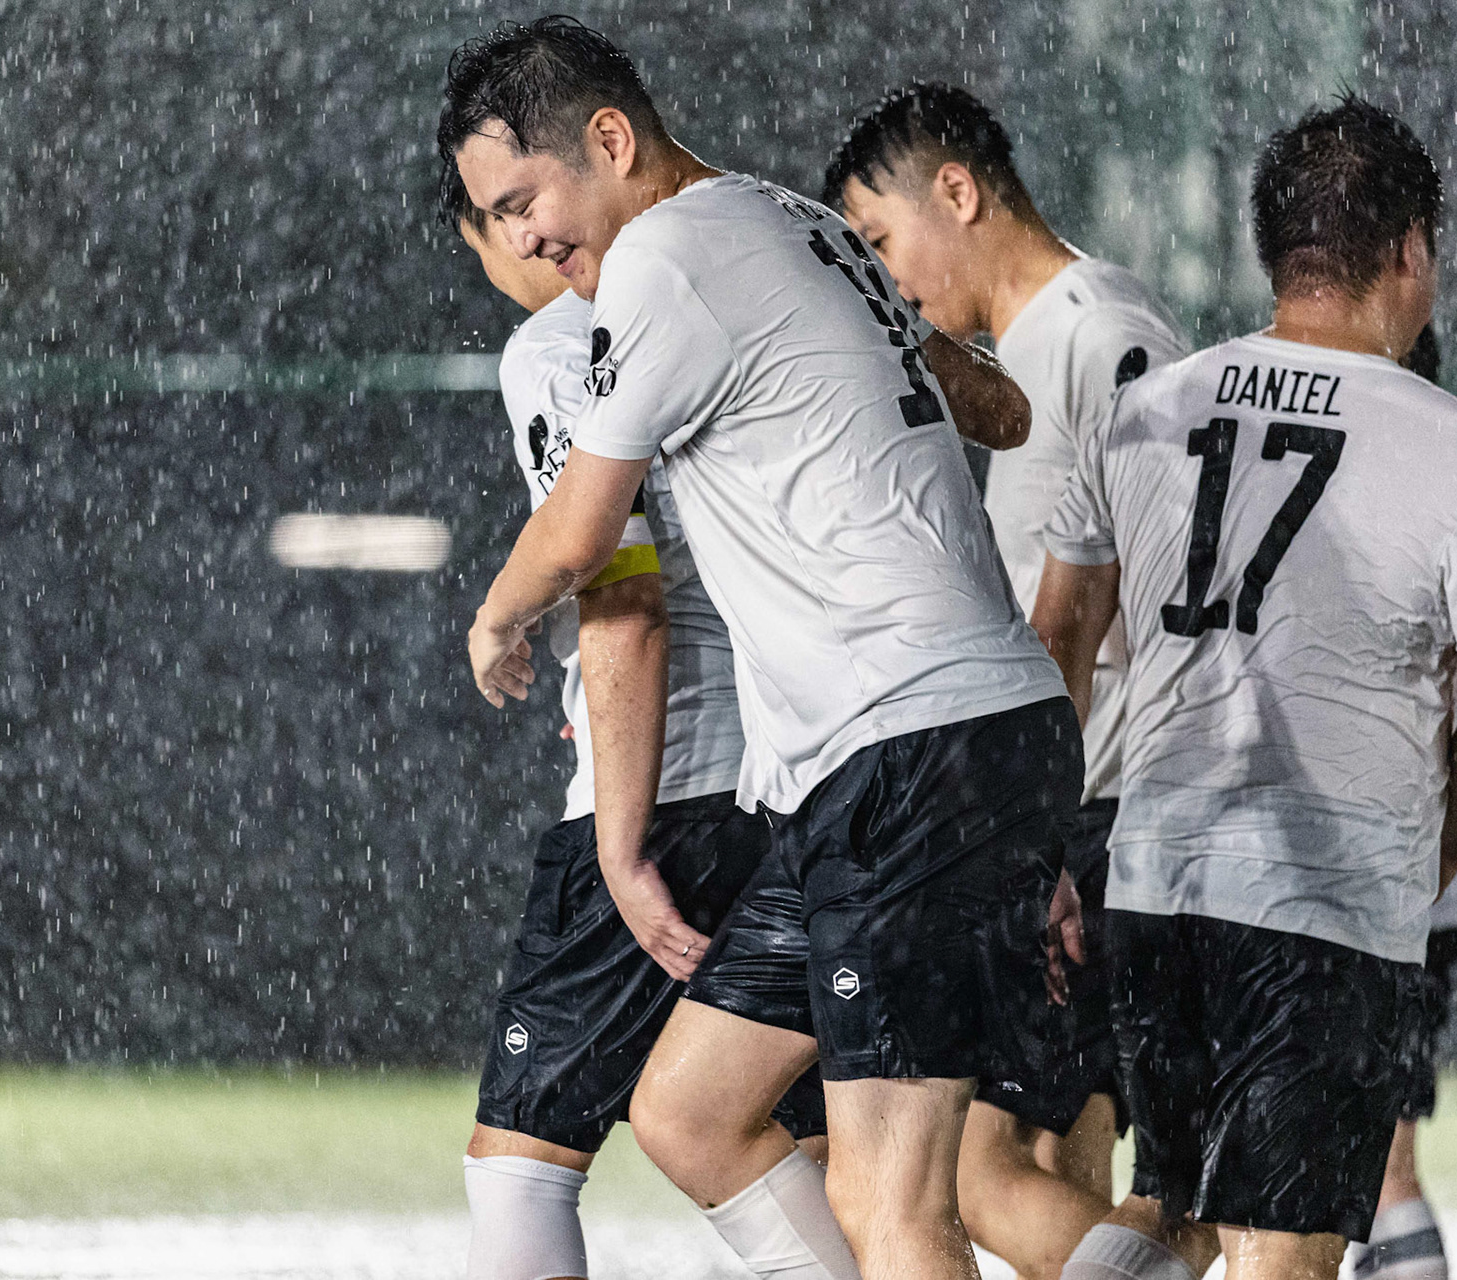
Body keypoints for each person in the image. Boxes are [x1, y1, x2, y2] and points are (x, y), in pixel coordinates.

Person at [439, 17, 1082, 1280]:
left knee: (896, 1201)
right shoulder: (803, 223)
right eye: (498, 219)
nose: (524, 240)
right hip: (929, 749)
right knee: (691, 1108)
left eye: (523, 201)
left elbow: (584, 536)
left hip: (906, 746)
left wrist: (495, 615)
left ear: (610, 140)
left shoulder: (662, 258)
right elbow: (1002, 408)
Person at [1033, 96, 1457, 1280]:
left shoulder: (1147, 407)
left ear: (1276, 246)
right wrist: (1438, 853)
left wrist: (1045, 844)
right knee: (1288, 1245)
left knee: (1170, 1201)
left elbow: (1058, 634)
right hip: (1320, 895)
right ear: (1410, 249)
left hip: (1157, 880)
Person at [822, 81, 1186, 1280]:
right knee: (1046, 1149)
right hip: (1092, 798)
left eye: (881, 241)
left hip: (1099, 801)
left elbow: (1096, 599)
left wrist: (1029, 831)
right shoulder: (1047, 342)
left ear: (959, 191)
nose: (883, 281)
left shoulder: (1098, 331)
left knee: (976, 1171)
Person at [445, 193, 841, 1280]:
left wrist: (620, 849)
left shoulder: (557, 344)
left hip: (669, 793)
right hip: (798, 784)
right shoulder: (736, 299)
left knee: (521, 1162)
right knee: (800, 1148)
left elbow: (625, 598)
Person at [1347, 323, 1457, 1280]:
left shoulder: (1331, 506)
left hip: (1331, 884)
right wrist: (1444, 853)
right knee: (1377, 1164)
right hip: (1418, 888)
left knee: (1341, 1172)